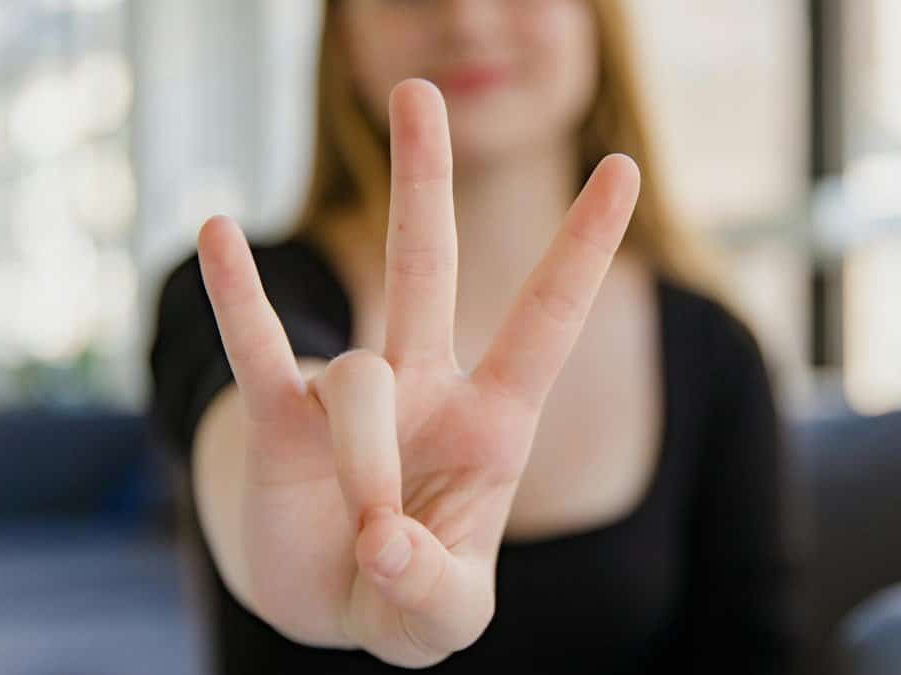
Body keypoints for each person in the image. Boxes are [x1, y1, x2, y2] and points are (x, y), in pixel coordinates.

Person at [150, 1, 804, 672]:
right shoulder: (236, 299)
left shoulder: (716, 351)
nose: (467, 19)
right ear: (342, 35)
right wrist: (279, 521)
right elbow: (248, 431)